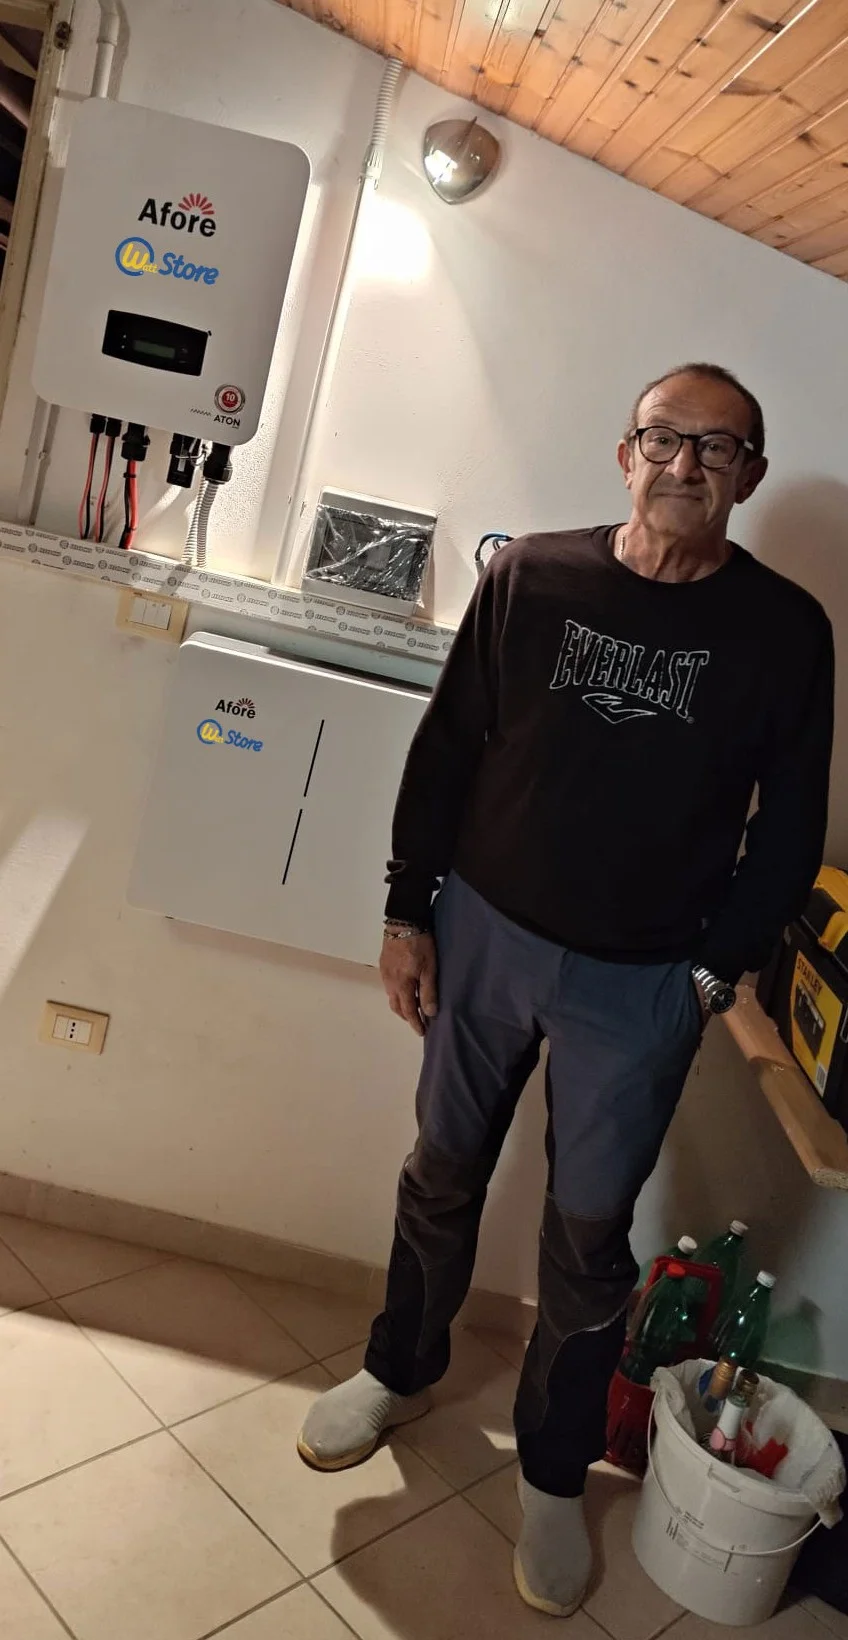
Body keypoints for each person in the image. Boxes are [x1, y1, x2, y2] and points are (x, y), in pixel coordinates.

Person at [297, 364, 835, 1616]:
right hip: (482, 936)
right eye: (663, 436)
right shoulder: (530, 576)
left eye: (716, 446)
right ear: (623, 451)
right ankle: (398, 1367)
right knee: (439, 1172)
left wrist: (708, 972)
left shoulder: (784, 630)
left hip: (641, 981)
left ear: (747, 474)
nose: (684, 462)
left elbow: (787, 827)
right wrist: (406, 909)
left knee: (587, 1241)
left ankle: (550, 1469)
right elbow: (445, 748)